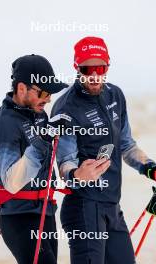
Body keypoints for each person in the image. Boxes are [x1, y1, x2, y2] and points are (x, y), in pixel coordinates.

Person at [51, 36, 156, 264]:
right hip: (83, 209)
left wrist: (150, 169)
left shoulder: (115, 95)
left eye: (100, 67)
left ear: (108, 65)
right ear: (76, 68)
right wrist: (77, 174)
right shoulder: (66, 107)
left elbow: (126, 145)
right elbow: (65, 163)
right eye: (87, 69)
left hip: (111, 207)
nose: (94, 75)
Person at [0, 54, 70, 264]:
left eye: (50, 92)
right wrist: (43, 138)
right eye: (43, 92)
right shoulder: (4, 123)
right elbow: (12, 182)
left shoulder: (39, 115)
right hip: (19, 218)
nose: (48, 98)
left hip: (45, 212)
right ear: (22, 88)